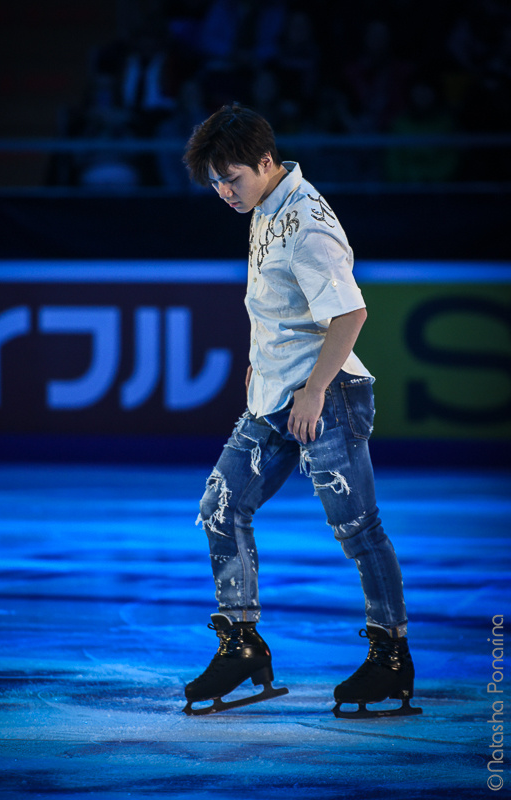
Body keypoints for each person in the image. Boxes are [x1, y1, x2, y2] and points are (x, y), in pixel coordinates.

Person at [181, 103, 421, 720]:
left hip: (326, 396)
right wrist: (260, 365)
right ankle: (241, 643)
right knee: (220, 507)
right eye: (215, 182)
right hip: (275, 395)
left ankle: (391, 655)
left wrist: (313, 391)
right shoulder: (264, 204)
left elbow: (350, 313)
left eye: (231, 178)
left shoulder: (306, 221)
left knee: (357, 527)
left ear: (265, 161)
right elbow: (279, 308)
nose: (223, 192)